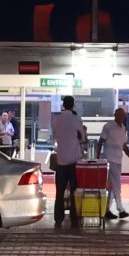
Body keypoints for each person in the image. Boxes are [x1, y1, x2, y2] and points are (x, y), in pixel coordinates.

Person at [49, 96, 87, 229]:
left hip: (61, 160)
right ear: (73, 105)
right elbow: (82, 137)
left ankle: (58, 218)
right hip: (73, 161)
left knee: (59, 191)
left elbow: (55, 135)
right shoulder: (76, 118)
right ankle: (74, 218)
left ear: (63, 105)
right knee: (74, 191)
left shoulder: (57, 118)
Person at [98, 106, 129, 224]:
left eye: (122, 115)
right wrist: (98, 158)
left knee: (112, 187)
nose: (120, 117)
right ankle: (120, 208)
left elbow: (124, 146)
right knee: (116, 185)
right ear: (115, 115)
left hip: (118, 160)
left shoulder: (123, 128)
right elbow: (100, 141)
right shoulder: (108, 127)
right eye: (119, 115)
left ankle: (107, 209)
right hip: (109, 159)